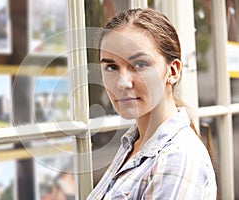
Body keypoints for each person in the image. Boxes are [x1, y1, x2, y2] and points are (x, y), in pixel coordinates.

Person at [87, 8, 217, 199]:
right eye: (111, 67)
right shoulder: (134, 143)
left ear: (173, 72)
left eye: (140, 64)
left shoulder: (177, 159)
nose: (122, 83)